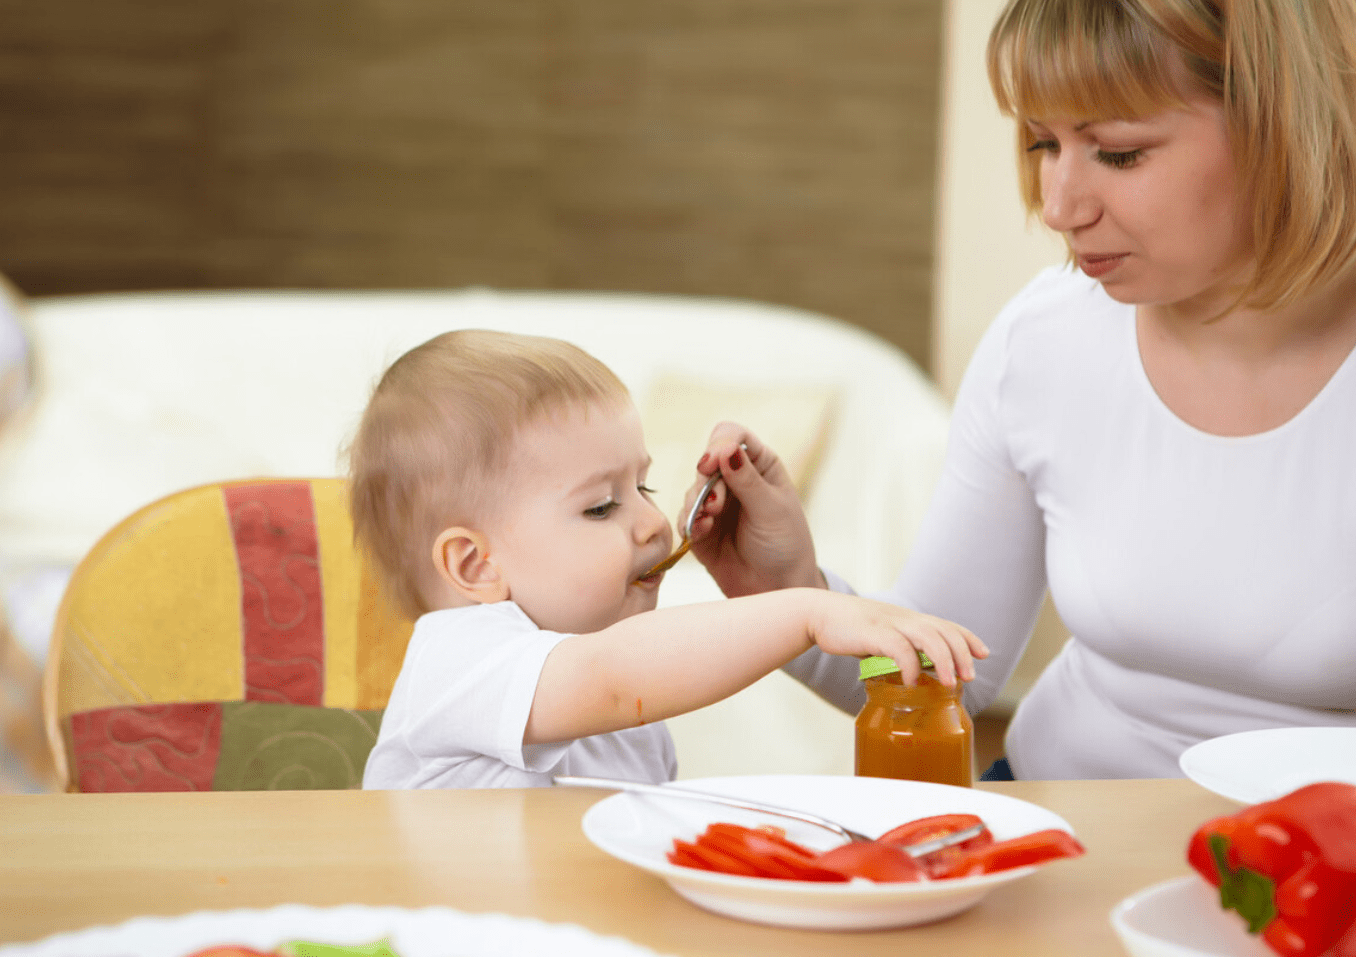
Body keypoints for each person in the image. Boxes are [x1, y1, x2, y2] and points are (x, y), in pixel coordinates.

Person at [682, 0, 1356, 780]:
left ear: (1283, 127)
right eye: (1043, 142)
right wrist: (792, 593)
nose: (1061, 206)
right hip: (1055, 826)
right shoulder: (1045, 340)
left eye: (1120, 153)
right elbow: (944, 681)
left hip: (1309, 864)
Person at [351, 329, 986, 789]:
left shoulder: (632, 728)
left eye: (645, 488)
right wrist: (807, 612)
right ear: (474, 566)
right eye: (602, 507)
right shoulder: (458, 656)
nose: (654, 523)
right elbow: (612, 677)